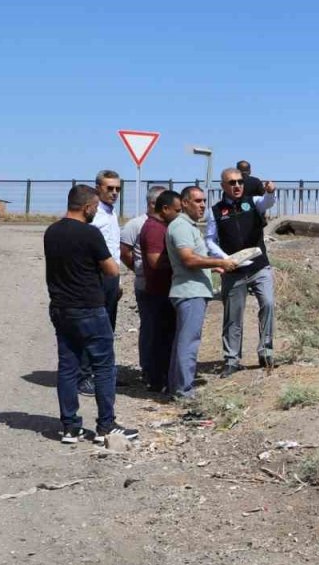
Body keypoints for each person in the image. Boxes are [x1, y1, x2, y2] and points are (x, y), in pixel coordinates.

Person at [44, 184, 138, 444]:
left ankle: (69, 427)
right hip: (89, 308)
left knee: (68, 367)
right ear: (86, 207)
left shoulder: (51, 232)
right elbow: (112, 270)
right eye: (95, 207)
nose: (96, 212)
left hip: (61, 308)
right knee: (104, 366)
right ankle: (106, 426)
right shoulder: (90, 233)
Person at [167, 186, 238, 398]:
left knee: (184, 341)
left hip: (193, 290)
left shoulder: (189, 226)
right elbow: (188, 259)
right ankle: (184, 390)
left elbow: (194, 259)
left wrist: (212, 268)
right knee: (188, 342)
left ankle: (177, 387)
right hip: (189, 292)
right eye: (197, 201)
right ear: (185, 203)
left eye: (204, 201)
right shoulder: (181, 227)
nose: (203, 205)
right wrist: (220, 262)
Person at [207, 168, 278, 378]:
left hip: (259, 266)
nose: (237, 186)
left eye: (239, 182)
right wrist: (225, 259)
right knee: (233, 316)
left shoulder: (253, 202)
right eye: (232, 183)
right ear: (223, 186)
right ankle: (232, 359)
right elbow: (210, 240)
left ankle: (266, 351)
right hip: (234, 270)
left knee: (268, 304)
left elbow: (267, 202)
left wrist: (270, 192)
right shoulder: (215, 211)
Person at [78, 169, 125, 396]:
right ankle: (83, 377)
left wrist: (116, 280)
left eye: (118, 189)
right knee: (93, 328)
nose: (114, 193)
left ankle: (103, 375)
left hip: (110, 278)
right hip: (96, 277)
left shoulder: (111, 213)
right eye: (110, 188)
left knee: (107, 329)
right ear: (98, 188)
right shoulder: (94, 216)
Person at [121, 185, 167, 385]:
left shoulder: (167, 223)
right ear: (153, 203)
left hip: (165, 284)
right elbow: (125, 252)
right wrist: (139, 269)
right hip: (145, 284)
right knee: (149, 326)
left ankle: (161, 368)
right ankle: (148, 369)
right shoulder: (136, 225)